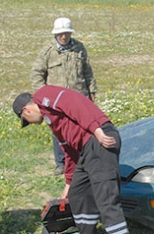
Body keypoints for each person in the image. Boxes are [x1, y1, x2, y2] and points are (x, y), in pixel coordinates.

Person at [12, 86, 144, 234]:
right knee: (78, 194)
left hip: (100, 139)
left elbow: (76, 104)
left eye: (25, 120)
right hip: (87, 149)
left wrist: (97, 129)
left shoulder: (43, 96)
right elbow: (69, 151)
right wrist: (68, 182)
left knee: (107, 204)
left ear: (26, 111)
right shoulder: (53, 121)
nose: (29, 123)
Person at [30, 17, 98, 175]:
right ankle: (61, 163)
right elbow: (36, 74)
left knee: (82, 128)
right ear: (55, 34)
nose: (63, 36)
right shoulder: (48, 51)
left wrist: (92, 91)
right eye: (60, 34)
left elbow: (87, 71)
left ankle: (83, 158)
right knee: (59, 131)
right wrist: (42, 95)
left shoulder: (80, 48)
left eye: (66, 33)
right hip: (57, 102)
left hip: (79, 96)